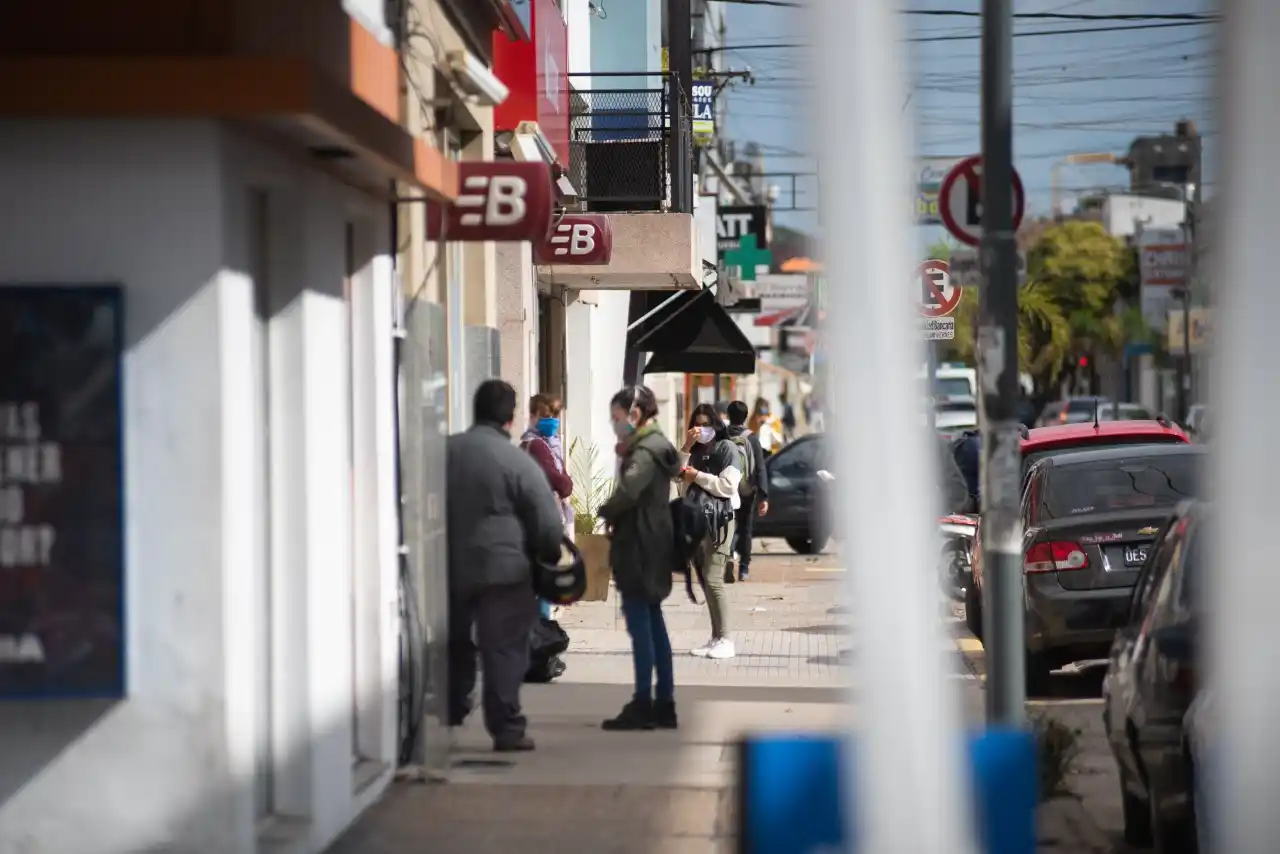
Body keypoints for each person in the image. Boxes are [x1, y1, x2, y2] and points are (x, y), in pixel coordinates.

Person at [446, 379, 565, 752]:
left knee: (454, 642)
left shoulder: (446, 452)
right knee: (504, 649)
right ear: (511, 418)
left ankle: (451, 708)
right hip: (506, 572)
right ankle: (506, 727)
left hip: (451, 566)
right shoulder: (519, 461)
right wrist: (543, 558)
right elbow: (548, 522)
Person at [597, 385, 683, 731]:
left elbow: (628, 491)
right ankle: (664, 701)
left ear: (635, 415)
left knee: (641, 627)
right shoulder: (658, 444)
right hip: (655, 542)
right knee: (654, 622)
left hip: (639, 546)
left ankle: (643, 702)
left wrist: (605, 509)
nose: (614, 424)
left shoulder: (645, 452)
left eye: (616, 418)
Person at [679, 403, 742, 659]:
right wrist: (685, 447)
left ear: (716, 425)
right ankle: (716, 637)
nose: (701, 429)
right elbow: (676, 475)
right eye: (697, 424)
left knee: (714, 577)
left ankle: (726, 639)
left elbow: (728, 486)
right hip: (697, 519)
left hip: (721, 519)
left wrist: (698, 477)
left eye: (706, 424)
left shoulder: (727, 449)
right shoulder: (693, 450)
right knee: (705, 578)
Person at [521, 394, 574, 619]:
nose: (551, 420)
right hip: (542, 520)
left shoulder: (535, 443)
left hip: (535, 517)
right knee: (543, 578)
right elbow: (559, 481)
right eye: (544, 415)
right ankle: (541, 633)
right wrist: (567, 483)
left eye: (554, 415)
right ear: (532, 416)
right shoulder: (538, 446)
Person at [725, 399, 769, 582]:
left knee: (727, 528)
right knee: (746, 530)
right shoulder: (752, 438)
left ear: (728, 416)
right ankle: (743, 569)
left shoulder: (722, 437)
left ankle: (728, 557)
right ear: (745, 417)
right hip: (747, 491)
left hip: (726, 490)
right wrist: (763, 496)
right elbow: (760, 468)